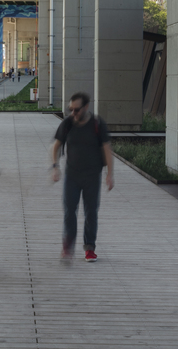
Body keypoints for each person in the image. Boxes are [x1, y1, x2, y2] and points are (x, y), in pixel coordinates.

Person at [50, 91, 114, 262]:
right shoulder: (67, 124)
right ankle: (67, 247)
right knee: (70, 211)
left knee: (91, 212)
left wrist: (110, 174)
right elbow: (55, 146)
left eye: (76, 110)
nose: (73, 113)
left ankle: (89, 248)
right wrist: (55, 167)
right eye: (71, 109)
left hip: (93, 176)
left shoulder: (97, 124)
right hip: (72, 175)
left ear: (86, 107)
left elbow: (106, 149)